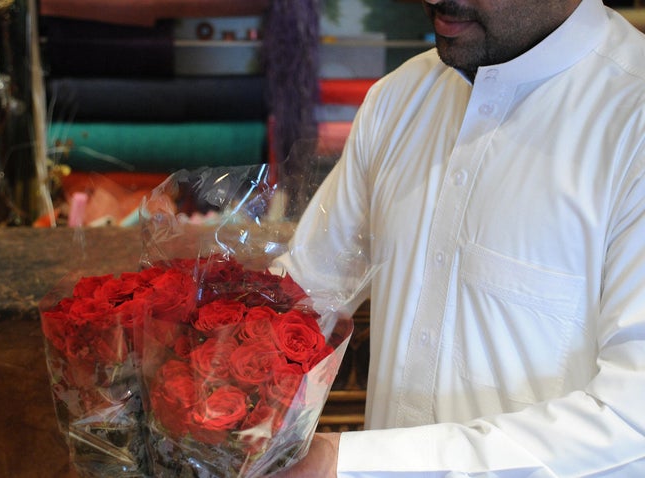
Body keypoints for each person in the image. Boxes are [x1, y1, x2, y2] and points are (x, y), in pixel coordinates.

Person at [274, 0, 645, 475]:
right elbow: (307, 294)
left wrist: (345, 464)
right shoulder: (399, 98)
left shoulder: (632, 121)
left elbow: (631, 422)